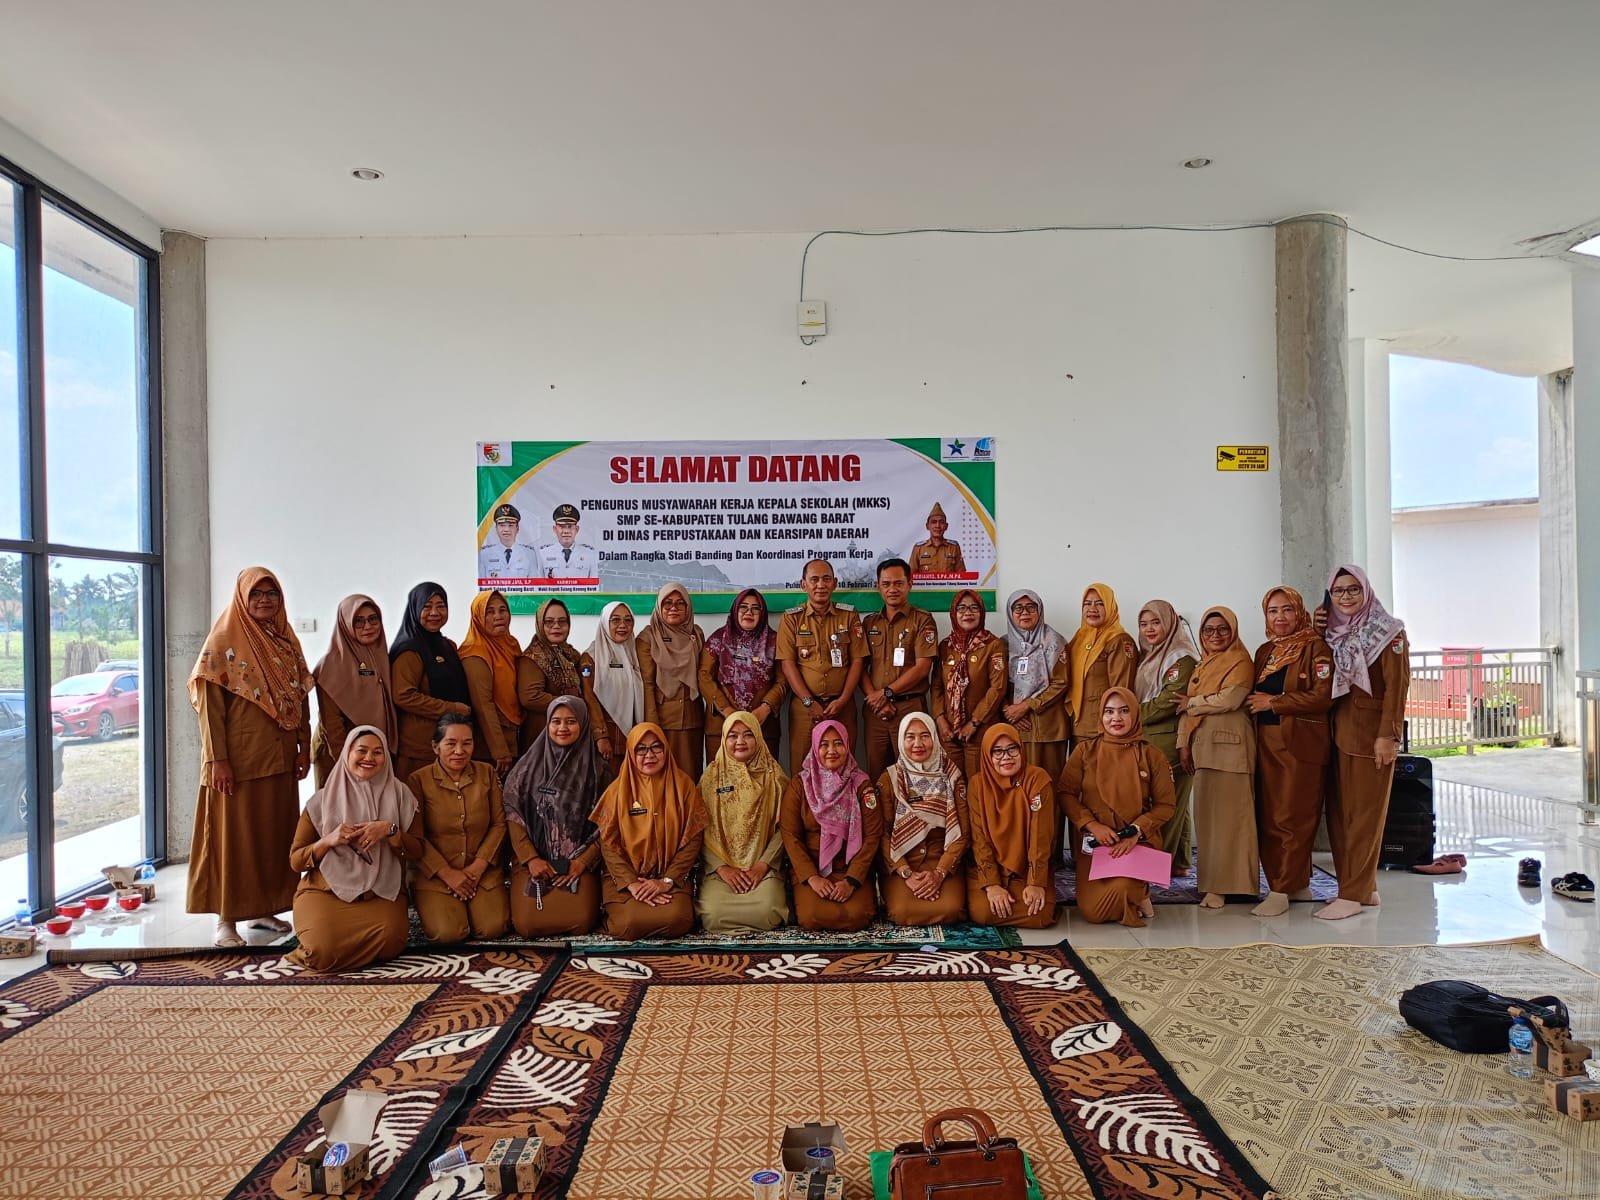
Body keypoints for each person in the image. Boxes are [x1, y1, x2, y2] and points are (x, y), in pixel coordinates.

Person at [187, 566, 313, 948]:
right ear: (242, 597)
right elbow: (210, 710)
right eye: (256, 594)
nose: (264, 601)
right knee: (233, 842)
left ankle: (262, 909)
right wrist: (217, 760)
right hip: (238, 763)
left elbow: (300, 695)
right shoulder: (222, 643)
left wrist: (303, 744)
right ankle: (225, 920)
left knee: (272, 838)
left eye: (271, 594)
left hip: (278, 758)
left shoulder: (285, 640)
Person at [287, 726, 422, 973]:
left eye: (377, 752)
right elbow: (296, 861)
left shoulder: (401, 796)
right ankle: (328, 951)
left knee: (392, 942)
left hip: (379, 893)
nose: (369, 758)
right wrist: (328, 840)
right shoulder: (321, 801)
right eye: (361, 750)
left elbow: (417, 851)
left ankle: (341, 952)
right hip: (326, 892)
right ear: (347, 753)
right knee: (320, 954)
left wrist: (390, 830)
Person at [1320, 565, 1411, 921]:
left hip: (1370, 737)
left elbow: (1397, 686)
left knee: (1364, 818)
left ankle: (1352, 895)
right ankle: (1362, 888)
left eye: (1353, 589)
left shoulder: (1389, 632)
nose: (1345, 596)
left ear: (1366, 591)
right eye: (1338, 590)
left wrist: (1388, 735)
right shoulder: (1333, 632)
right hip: (1337, 734)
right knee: (1341, 817)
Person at [1246, 586, 1334, 917]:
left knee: (1293, 817)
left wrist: (1275, 702)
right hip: (1266, 742)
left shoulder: (1316, 647)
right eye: (1273, 611)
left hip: (1299, 745)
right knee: (1270, 816)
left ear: (1299, 611)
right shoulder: (1265, 651)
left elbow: (1323, 696)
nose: (1280, 617)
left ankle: (1281, 889)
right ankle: (1294, 884)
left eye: (1287, 609)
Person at [1057, 688, 1177, 927]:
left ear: (1135, 714)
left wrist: (1136, 831)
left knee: (1123, 888)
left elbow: (1166, 806)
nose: (1116, 718)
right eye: (1109, 712)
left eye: (1124, 711)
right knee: (1093, 912)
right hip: (1097, 842)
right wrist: (1092, 825)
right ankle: (1136, 893)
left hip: (1136, 841)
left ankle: (1139, 890)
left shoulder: (1151, 755)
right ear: (1101, 715)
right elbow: (1065, 793)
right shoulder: (1085, 751)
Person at [503, 696, 614, 937]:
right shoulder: (526, 769)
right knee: (528, 924)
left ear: (583, 724)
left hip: (580, 862)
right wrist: (531, 859)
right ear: (547, 724)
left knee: (579, 921)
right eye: (556, 721)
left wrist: (583, 861)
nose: (562, 728)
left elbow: (608, 825)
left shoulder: (599, 771)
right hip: (533, 861)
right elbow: (513, 817)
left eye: (571, 721)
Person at [592, 723, 706, 939]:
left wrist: (666, 881)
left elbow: (693, 839)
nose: (649, 755)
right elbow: (608, 845)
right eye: (641, 749)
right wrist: (632, 883)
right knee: (628, 924)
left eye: (656, 747)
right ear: (630, 753)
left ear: (666, 749)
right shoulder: (616, 792)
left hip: (671, 879)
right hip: (626, 880)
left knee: (677, 920)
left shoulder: (684, 787)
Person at [1177, 607, 1259, 908]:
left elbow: (1231, 699)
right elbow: (1184, 711)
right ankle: (1212, 883)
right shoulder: (1203, 665)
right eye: (1209, 630)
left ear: (1233, 631)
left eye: (1223, 629)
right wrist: (1183, 744)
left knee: (1233, 821)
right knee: (1209, 821)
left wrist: (1193, 702)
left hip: (1231, 750)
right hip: (1204, 749)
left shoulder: (1240, 661)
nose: (1215, 635)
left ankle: (1233, 886)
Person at [406, 714, 510, 942]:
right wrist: (447, 873)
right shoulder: (418, 780)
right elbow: (415, 836)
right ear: (435, 746)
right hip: (435, 874)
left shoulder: (487, 773)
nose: (459, 751)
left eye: (467, 743)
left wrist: (478, 867)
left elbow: (499, 823)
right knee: (448, 933)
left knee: (492, 929)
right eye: (451, 743)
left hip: (481, 872)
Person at [781, 720, 883, 931]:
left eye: (838, 743)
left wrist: (851, 880)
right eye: (824, 744)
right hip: (813, 869)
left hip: (851, 868)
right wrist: (812, 877)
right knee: (812, 917)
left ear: (847, 745)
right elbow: (790, 835)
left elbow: (873, 835)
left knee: (857, 917)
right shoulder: (801, 785)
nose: (831, 751)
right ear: (814, 748)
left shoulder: (861, 784)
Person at [696, 710, 791, 933]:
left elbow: (786, 828)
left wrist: (762, 865)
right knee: (713, 914)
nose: (740, 741)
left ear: (758, 737)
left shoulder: (775, 777)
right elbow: (699, 828)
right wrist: (721, 868)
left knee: (768, 911)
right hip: (721, 869)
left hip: (763, 867)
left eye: (748, 734)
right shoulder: (711, 777)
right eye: (733, 735)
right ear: (724, 739)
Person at [776, 559, 868, 774]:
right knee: (802, 769)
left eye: (826, 579)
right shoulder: (791, 619)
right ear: (803, 584)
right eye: (814, 579)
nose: (820, 585)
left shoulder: (849, 615)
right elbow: (787, 664)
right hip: (804, 709)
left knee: (844, 768)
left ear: (834, 583)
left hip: (842, 706)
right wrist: (809, 702)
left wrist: (843, 699)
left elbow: (858, 660)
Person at [879, 712, 968, 925]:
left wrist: (940, 872)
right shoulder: (890, 778)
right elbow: (882, 834)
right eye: (910, 737)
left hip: (941, 859)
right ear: (901, 741)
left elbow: (963, 832)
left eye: (925, 736)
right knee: (902, 912)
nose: (918, 744)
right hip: (903, 860)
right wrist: (906, 872)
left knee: (952, 909)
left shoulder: (952, 776)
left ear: (934, 738)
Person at [965, 724, 1057, 928]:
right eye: (997, 751)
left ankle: (1016, 894)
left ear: (1021, 749)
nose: (1006, 757)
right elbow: (979, 839)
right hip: (991, 868)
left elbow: (1040, 837)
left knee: (1040, 916)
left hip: (1026, 870)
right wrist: (992, 885)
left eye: (1012, 749)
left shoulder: (1037, 780)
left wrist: (1035, 882)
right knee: (983, 912)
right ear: (987, 755)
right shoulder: (977, 785)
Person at [1134, 600, 1199, 874]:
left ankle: (1157, 867)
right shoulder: (1150, 655)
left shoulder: (1181, 657)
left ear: (1170, 624)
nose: (1149, 629)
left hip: (1171, 740)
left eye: (1155, 622)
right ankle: (1179, 863)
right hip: (1155, 739)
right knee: (1177, 802)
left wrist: (1130, 714)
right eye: (1144, 624)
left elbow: (1168, 701)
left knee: (1164, 805)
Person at [390, 583, 474, 783]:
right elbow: (403, 695)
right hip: (418, 748)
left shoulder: (447, 645)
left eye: (441, 606)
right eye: (427, 606)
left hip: (447, 744)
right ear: (415, 609)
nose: (435, 613)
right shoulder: (409, 650)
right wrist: (452, 708)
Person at [861, 559, 938, 778]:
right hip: (875, 711)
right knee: (877, 774)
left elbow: (922, 668)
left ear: (909, 584)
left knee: (914, 773)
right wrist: (876, 700)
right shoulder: (869, 623)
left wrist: (886, 693)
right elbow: (860, 667)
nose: (892, 589)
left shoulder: (922, 620)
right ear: (878, 586)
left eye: (898, 583)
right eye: (886, 584)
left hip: (909, 707)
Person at [311, 594, 395, 788]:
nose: (368, 626)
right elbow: (332, 725)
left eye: (373, 619)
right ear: (346, 624)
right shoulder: (330, 665)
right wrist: (348, 764)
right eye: (358, 621)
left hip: (372, 754)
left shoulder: (382, 657)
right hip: (338, 755)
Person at [699, 587, 786, 763]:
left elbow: (783, 681)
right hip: (722, 725)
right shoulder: (718, 639)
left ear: (762, 613)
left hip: (762, 725)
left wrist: (765, 708)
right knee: (721, 777)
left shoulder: (775, 641)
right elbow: (704, 676)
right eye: (743, 607)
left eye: (755, 608)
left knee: (763, 777)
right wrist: (727, 710)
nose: (749, 613)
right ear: (735, 610)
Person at [931, 590, 1008, 780]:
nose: (968, 613)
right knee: (952, 785)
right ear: (953, 613)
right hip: (949, 732)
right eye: (962, 608)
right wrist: (940, 720)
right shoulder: (945, 646)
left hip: (980, 731)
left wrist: (974, 722)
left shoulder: (993, 645)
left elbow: (997, 688)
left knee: (978, 784)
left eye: (974, 608)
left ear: (982, 613)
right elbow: (937, 686)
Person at [637, 582, 707, 775]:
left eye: (679, 603)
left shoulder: (696, 634)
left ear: (688, 607)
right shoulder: (648, 637)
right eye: (667, 603)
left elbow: (703, 675)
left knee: (690, 775)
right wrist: (652, 725)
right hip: (663, 719)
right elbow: (647, 684)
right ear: (659, 606)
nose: (673, 608)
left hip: (692, 718)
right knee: (662, 775)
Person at [519, 598, 606, 752]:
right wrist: (570, 703)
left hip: (571, 734)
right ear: (540, 624)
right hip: (543, 736)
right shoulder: (532, 658)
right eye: (549, 622)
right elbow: (530, 697)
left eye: (562, 621)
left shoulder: (572, 655)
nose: (556, 627)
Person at [1001, 589, 1071, 779]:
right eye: (1018, 608)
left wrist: (1026, 706)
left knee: (1048, 781)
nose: (1025, 612)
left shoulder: (1055, 642)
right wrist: (1008, 711)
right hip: (1015, 726)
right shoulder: (1003, 645)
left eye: (1031, 607)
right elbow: (997, 685)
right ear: (1010, 612)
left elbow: (1060, 682)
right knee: (1018, 782)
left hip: (1048, 727)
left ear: (1039, 610)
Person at [457, 590, 523, 778]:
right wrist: (499, 750)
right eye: (489, 612)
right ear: (478, 617)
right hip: (490, 748)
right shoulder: (474, 652)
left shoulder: (511, 644)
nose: (498, 616)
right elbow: (483, 705)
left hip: (515, 736)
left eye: (503, 610)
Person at [1066, 583, 1137, 742]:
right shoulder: (1080, 638)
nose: (1092, 608)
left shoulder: (1119, 640)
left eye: (1100, 604)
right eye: (1087, 603)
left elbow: (1122, 689)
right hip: (1077, 724)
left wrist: (1112, 725)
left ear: (1111, 607)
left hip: (1102, 727)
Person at [586, 601, 644, 770]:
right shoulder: (591, 658)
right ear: (605, 623)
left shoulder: (635, 653)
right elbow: (590, 699)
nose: (622, 625)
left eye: (628, 620)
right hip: (608, 740)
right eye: (616, 620)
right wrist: (601, 736)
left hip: (633, 737)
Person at [535, 502, 600, 578]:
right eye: (562, 526)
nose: (566, 531)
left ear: (577, 529)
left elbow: (594, 583)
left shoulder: (589, 554)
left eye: (570, 526)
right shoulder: (543, 554)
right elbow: (538, 583)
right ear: (555, 529)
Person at [478, 502, 539, 580]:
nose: (506, 529)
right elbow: (481, 583)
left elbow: (534, 583)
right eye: (502, 525)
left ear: (517, 529)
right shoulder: (485, 554)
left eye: (510, 525)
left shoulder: (529, 553)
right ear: (496, 528)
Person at [909, 501, 967, 576]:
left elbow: (962, 576)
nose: (937, 526)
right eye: (934, 522)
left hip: (949, 584)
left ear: (946, 526)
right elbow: (910, 576)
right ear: (927, 526)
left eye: (941, 522)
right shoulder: (918, 548)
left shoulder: (954, 547)